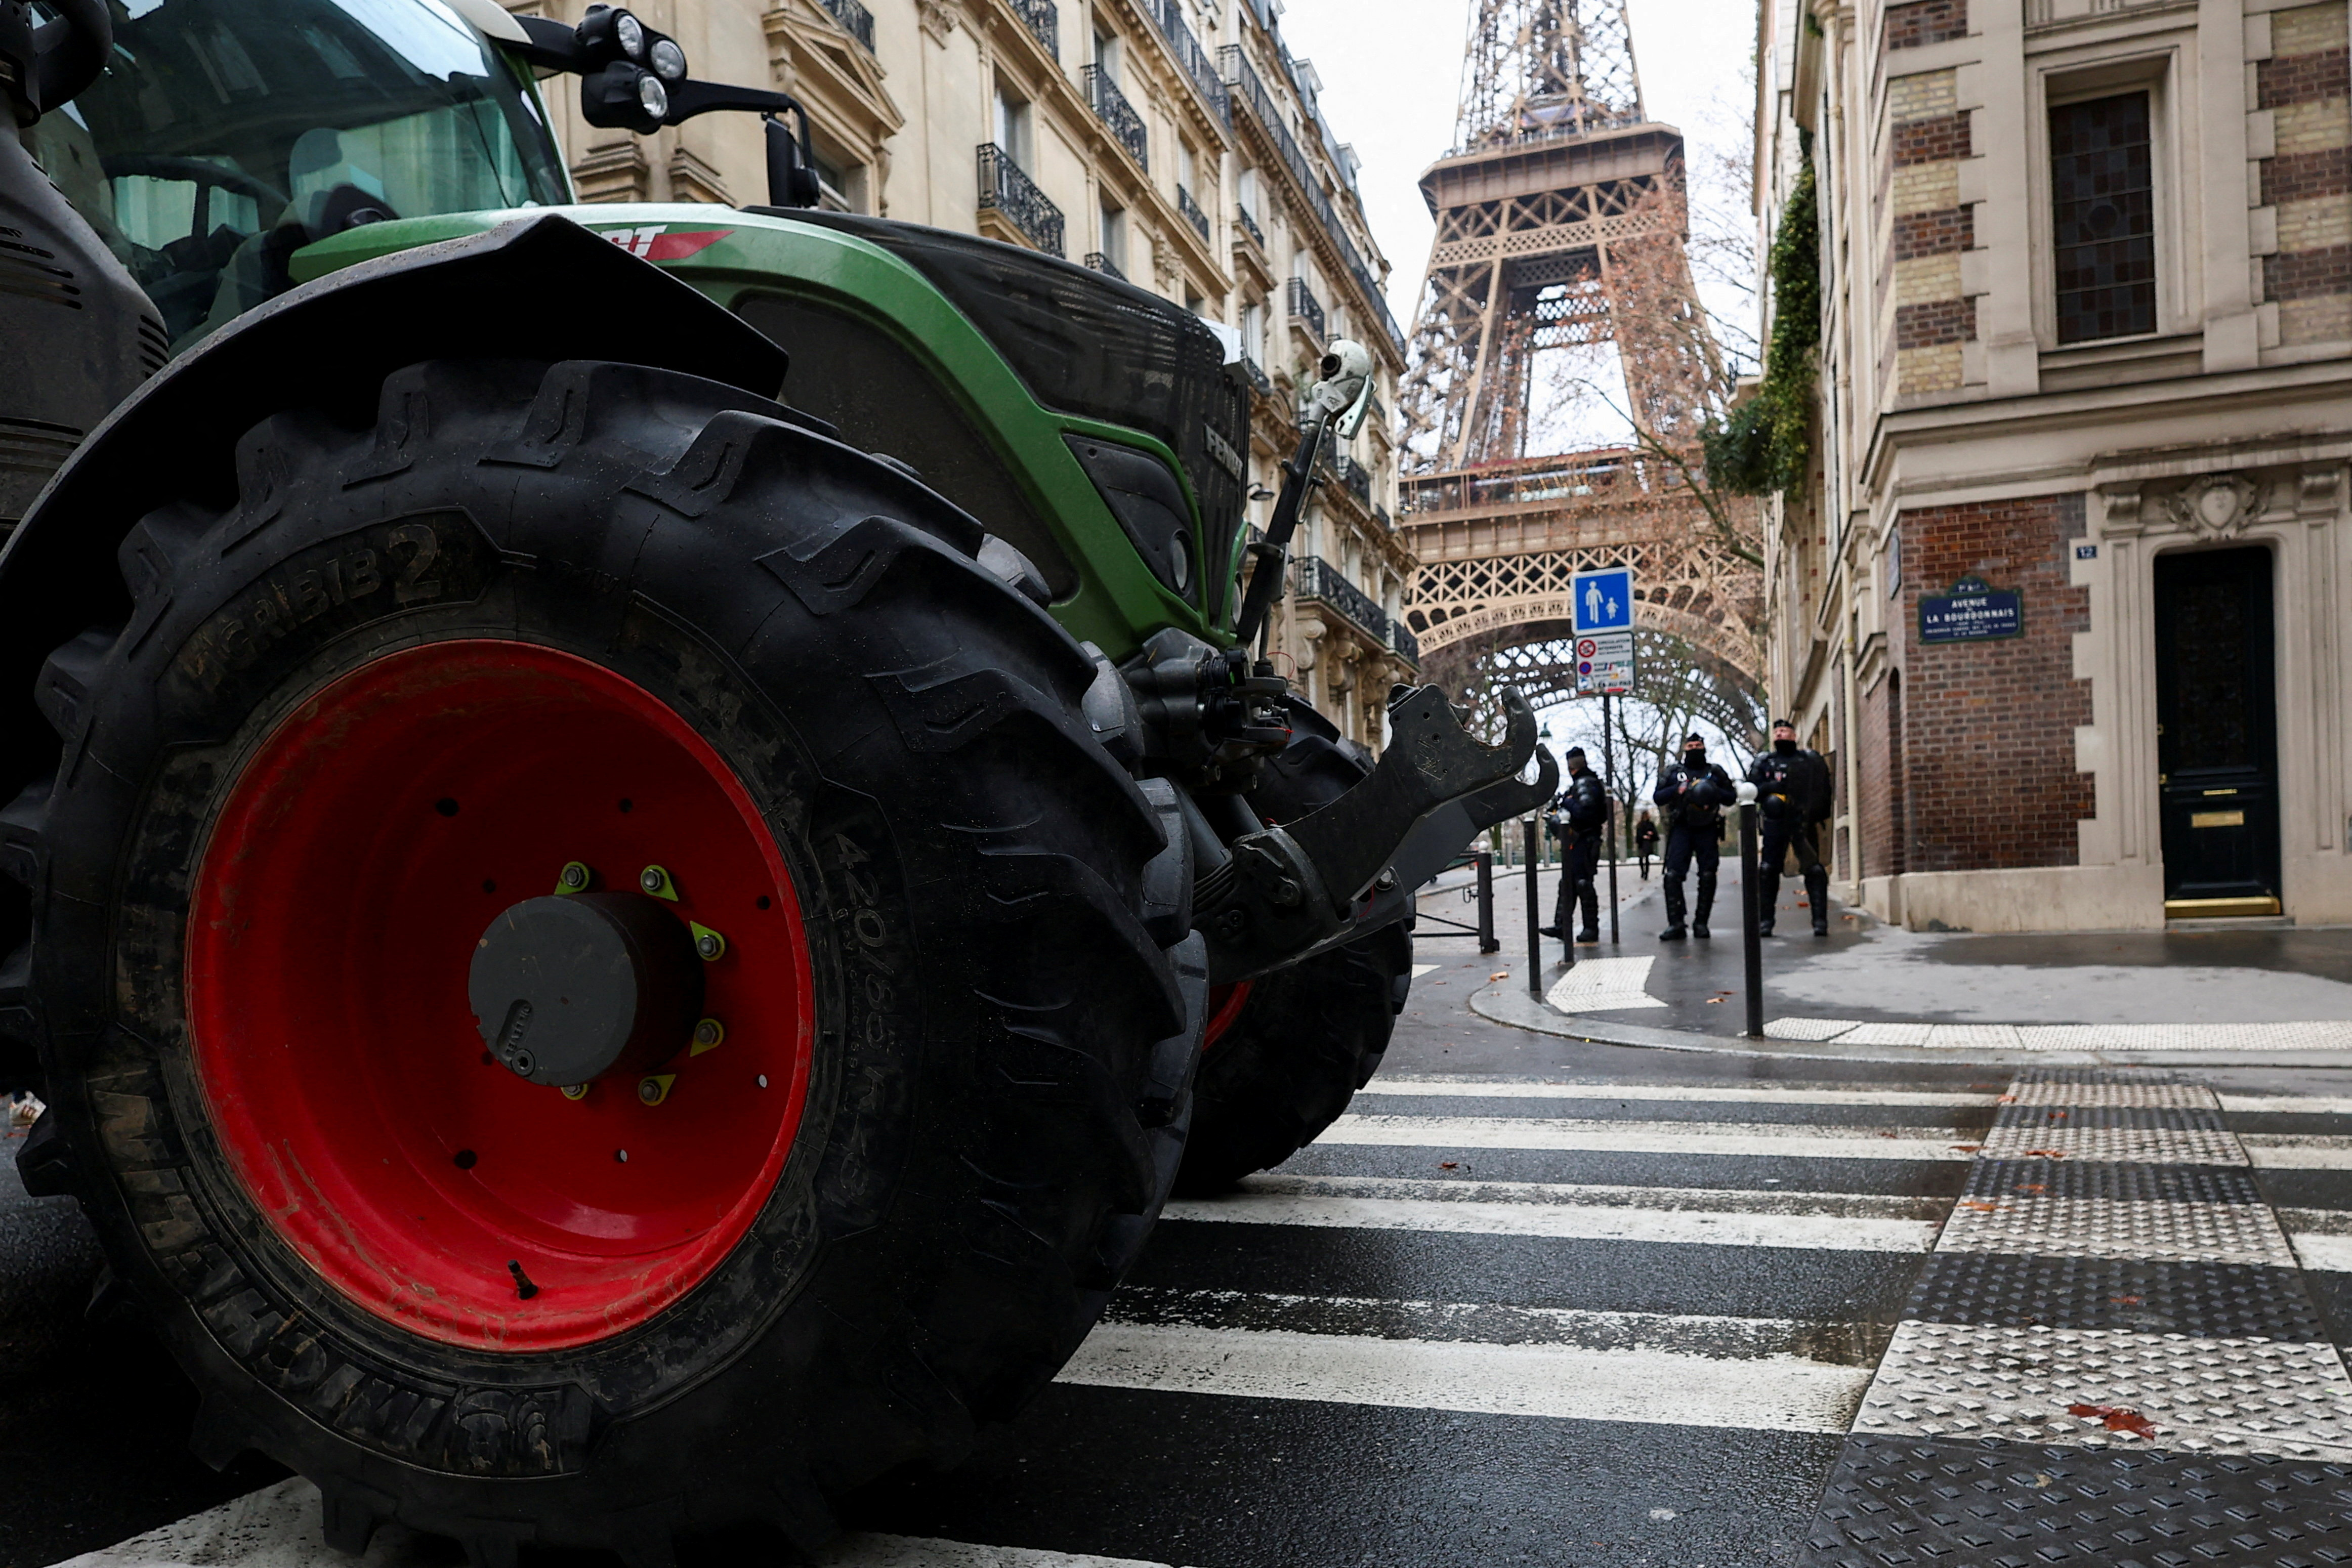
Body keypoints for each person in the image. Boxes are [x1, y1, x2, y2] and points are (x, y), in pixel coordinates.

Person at [1746, 717, 1835, 937]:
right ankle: (1766, 922)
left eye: (1785, 731)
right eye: (1776, 731)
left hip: (1803, 821)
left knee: (1814, 870)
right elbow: (1751, 790)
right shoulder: (1764, 762)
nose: (1780, 734)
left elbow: (1824, 789)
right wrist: (1771, 788)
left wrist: (1815, 814)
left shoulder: (1809, 760)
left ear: (1794, 736)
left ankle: (1820, 922)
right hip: (1775, 823)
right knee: (1768, 871)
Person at [1652, 733, 1734, 940]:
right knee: (1673, 875)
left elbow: (1731, 798)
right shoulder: (1674, 772)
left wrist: (1713, 791)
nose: (1695, 748)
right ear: (1684, 749)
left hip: (1707, 827)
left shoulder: (1714, 772)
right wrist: (1680, 790)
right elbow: (1658, 797)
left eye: (1699, 745)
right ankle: (1676, 923)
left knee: (1708, 874)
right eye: (1691, 745)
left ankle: (1701, 923)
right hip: (1682, 826)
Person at [1539, 747, 1609, 943]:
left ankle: (1590, 928)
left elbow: (1587, 813)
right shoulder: (1587, 783)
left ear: (1571, 768)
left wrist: (1567, 803)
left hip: (1585, 840)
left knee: (1582, 883)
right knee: (1568, 883)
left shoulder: (1585, 784)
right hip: (1580, 840)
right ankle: (1562, 926)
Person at [1634, 811, 1658, 880]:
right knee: (1642, 859)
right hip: (1642, 843)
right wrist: (1643, 836)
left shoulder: (1650, 824)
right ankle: (1643, 872)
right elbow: (1639, 834)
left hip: (1648, 843)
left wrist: (1651, 834)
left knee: (1646, 858)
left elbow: (1654, 833)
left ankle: (1646, 873)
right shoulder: (1640, 825)